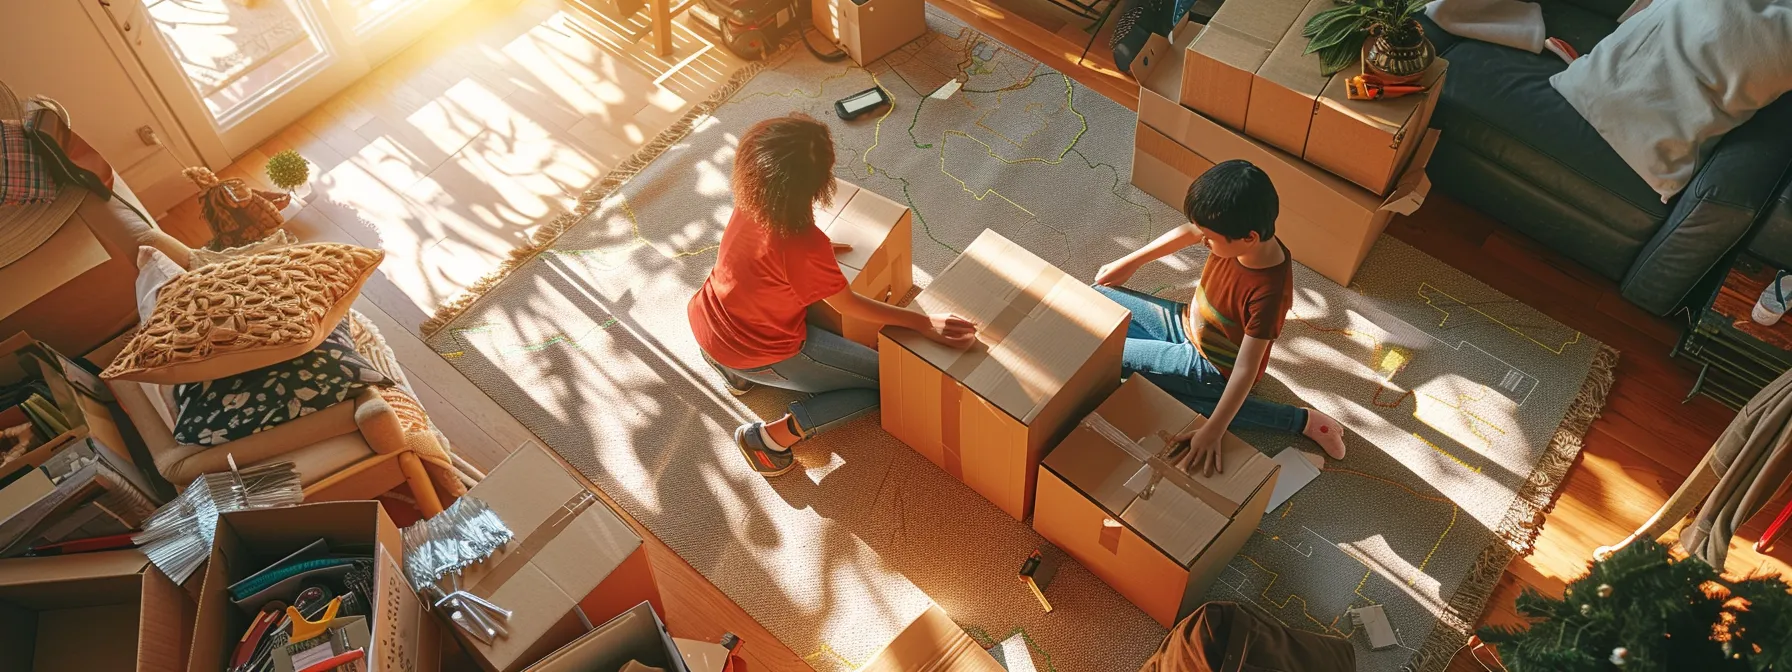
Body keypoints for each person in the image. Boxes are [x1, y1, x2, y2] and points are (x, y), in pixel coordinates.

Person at [688, 114, 977, 477]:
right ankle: (769, 439)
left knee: (797, 332)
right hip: (758, 350)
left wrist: (816, 257)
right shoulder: (803, 245)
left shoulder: (752, 196)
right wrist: (923, 322)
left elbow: (765, 256)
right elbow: (848, 304)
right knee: (889, 384)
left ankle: (732, 371)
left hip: (707, 316)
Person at [1093, 159, 1347, 476]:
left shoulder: (1269, 293)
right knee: (1093, 299)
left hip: (1212, 365)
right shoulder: (1235, 232)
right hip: (1185, 322)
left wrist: (1213, 431)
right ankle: (1184, 389)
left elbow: (1244, 369)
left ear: (1249, 238)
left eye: (1210, 238)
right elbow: (1190, 232)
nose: (1203, 241)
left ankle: (1299, 421)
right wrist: (1131, 262)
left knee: (1100, 354)